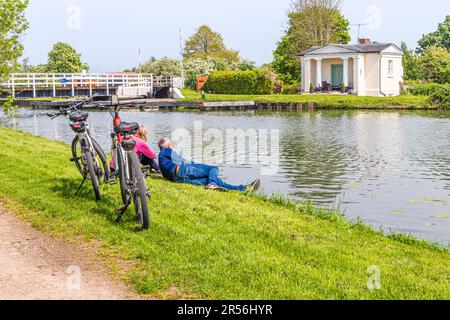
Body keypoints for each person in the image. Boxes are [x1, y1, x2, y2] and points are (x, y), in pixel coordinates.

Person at [157, 137, 261, 192]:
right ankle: (212, 184)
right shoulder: (166, 150)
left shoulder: (161, 160)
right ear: (169, 145)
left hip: (178, 179)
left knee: (215, 180)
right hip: (181, 171)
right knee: (213, 168)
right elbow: (181, 160)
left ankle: (243, 189)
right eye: (171, 144)